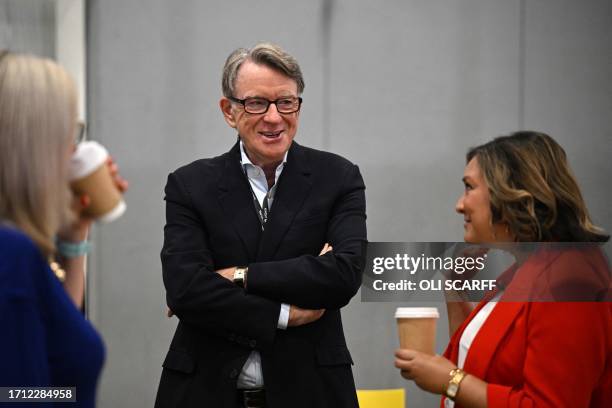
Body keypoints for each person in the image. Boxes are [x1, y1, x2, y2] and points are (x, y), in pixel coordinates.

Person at [155, 43, 367, 408]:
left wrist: (237, 276)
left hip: (310, 390)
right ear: (229, 110)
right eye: (256, 103)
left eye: (286, 102)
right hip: (206, 391)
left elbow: (343, 275)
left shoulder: (338, 177)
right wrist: (283, 313)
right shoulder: (190, 184)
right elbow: (186, 289)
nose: (274, 117)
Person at [394, 131, 611, 407]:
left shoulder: (571, 279)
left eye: (469, 187)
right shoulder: (527, 270)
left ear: (509, 192)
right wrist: (455, 290)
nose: (459, 205)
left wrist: (450, 381)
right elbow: (478, 361)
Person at [0, 51, 127, 407]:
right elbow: (23, 396)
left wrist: (74, 235)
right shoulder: (11, 253)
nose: (74, 149)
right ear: (32, 146)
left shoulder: (18, 249)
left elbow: (52, 351)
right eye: (67, 132)